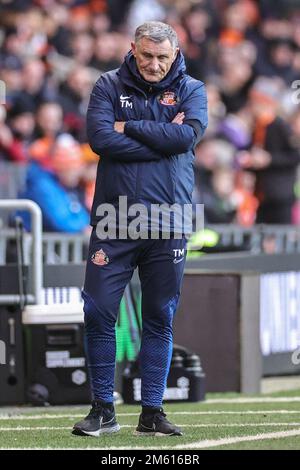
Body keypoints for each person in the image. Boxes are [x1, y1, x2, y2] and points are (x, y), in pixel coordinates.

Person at [73, 21, 207, 438]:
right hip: (115, 219)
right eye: (146, 55)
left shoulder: (193, 89)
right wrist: (163, 136)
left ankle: (152, 411)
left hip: (170, 220)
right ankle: (102, 409)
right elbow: (99, 139)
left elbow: (187, 137)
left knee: (159, 316)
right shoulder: (108, 85)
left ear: (175, 53)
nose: (153, 64)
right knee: (97, 310)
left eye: (162, 57)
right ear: (133, 49)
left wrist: (127, 127)